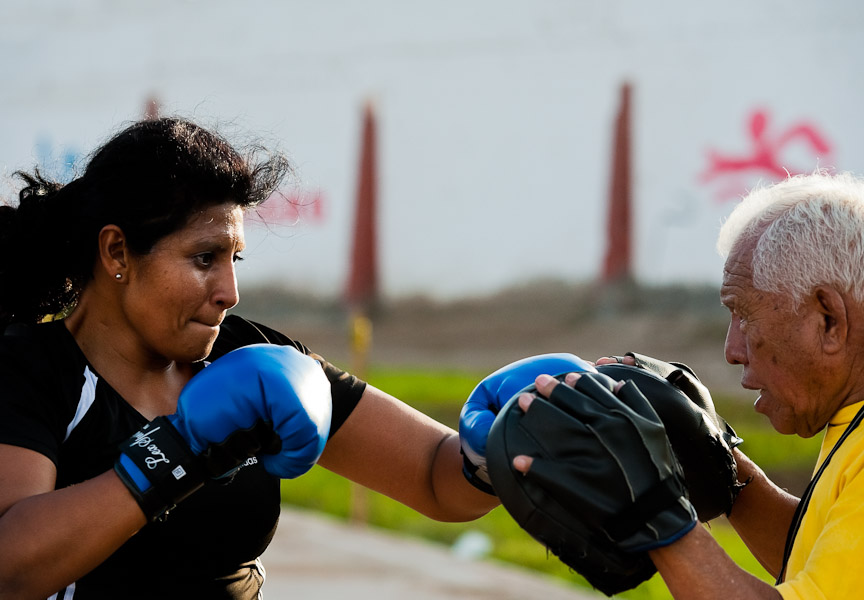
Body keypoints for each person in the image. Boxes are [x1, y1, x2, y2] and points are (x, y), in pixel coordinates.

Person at [0, 116, 499, 599]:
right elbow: (11, 572)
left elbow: (435, 475)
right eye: (204, 259)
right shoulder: (30, 370)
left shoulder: (249, 358)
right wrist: (181, 451)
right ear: (116, 253)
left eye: (233, 259)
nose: (230, 292)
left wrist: (500, 446)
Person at [470, 171, 864, 599]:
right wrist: (716, 461)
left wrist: (657, 512)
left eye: (744, 315)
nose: (732, 350)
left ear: (828, 320)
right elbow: (828, 564)